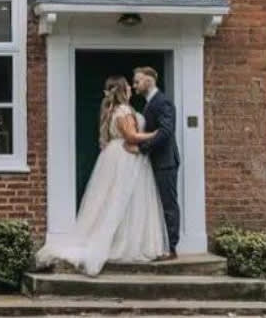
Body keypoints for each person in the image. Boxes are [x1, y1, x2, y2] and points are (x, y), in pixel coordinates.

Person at [34, 76, 167, 276]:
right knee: (123, 201)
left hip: (114, 156)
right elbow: (131, 137)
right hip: (126, 158)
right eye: (128, 87)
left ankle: (122, 239)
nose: (131, 89)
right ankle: (125, 244)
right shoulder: (123, 110)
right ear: (123, 90)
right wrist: (157, 134)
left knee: (112, 200)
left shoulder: (112, 110)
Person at [131, 65, 181, 259]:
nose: (134, 85)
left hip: (165, 162)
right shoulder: (149, 102)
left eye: (137, 81)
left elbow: (166, 132)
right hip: (154, 162)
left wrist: (142, 148)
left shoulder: (163, 102)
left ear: (149, 81)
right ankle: (159, 244)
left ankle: (172, 248)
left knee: (168, 204)